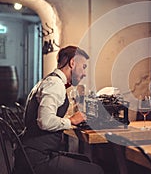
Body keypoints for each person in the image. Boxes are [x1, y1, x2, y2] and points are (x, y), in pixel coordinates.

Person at [14, 46, 103, 174]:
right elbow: (44, 121)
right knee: (97, 170)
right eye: (83, 67)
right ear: (72, 63)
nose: (84, 73)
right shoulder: (55, 84)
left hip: (30, 152)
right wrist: (71, 120)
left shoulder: (49, 80)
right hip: (36, 160)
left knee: (85, 160)